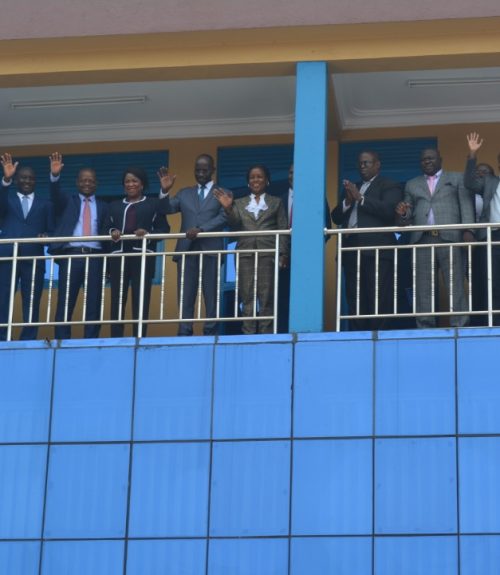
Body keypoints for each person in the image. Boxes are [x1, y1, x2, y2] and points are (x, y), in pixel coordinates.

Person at [395, 148, 474, 328]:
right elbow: (408, 211)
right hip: (422, 240)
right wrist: (403, 212)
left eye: (431, 158)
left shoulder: (456, 178)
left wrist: (468, 230)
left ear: (440, 159)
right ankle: (425, 325)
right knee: (423, 286)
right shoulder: (412, 184)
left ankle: (459, 324)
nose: (427, 161)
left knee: (455, 283)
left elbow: (466, 205)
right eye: (424, 159)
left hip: (450, 238)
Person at [214, 164, 289, 334]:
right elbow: (234, 224)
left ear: (267, 180)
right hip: (245, 254)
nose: (256, 180)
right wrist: (228, 208)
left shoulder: (276, 202)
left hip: (268, 254)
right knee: (246, 296)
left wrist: (283, 253)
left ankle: (266, 333)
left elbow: (283, 228)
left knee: (266, 296)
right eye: (252, 177)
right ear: (248, 182)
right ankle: (248, 333)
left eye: (259, 177)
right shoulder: (239, 203)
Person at [331, 151, 402, 331]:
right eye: (360, 163)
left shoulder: (389, 185)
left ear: (377, 165)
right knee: (355, 295)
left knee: (378, 295)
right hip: (351, 248)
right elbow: (336, 217)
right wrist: (347, 202)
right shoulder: (352, 187)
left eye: (367, 163)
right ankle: (357, 335)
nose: (362, 166)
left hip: (377, 248)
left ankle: (379, 335)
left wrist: (361, 198)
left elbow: (388, 210)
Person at [158, 154, 228, 336]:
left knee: (211, 295)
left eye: (205, 170)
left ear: (213, 170)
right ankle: (184, 331)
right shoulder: (184, 193)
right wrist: (164, 191)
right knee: (185, 294)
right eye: (198, 170)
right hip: (186, 250)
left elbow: (224, 217)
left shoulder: (223, 193)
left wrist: (201, 229)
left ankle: (211, 332)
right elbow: (166, 209)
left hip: (211, 249)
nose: (201, 173)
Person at [104, 167, 173, 338]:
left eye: (134, 181)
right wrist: (112, 231)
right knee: (117, 298)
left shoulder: (152, 203)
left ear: (142, 185)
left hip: (142, 256)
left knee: (141, 297)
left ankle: (139, 336)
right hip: (118, 256)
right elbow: (105, 227)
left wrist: (148, 234)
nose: (131, 184)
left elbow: (164, 229)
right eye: (127, 181)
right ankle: (116, 337)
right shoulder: (114, 206)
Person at [48, 153, 109, 339]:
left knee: (94, 300)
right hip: (72, 255)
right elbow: (55, 195)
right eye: (83, 180)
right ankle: (61, 338)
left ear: (96, 183)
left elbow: (108, 229)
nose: (87, 183)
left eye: (90, 180)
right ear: (77, 183)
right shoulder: (68, 201)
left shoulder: (104, 206)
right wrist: (55, 176)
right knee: (66, 298)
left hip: (95, 257)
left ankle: (91, 338)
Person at [0, 153, 54, 340]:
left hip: (33, 258)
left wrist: (47, 237)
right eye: (23, 177)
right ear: (16, 180)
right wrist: (5, 180)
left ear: (35, 181)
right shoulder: (7, 201)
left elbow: (51, 230)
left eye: (30, 178)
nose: (27, 181)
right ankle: (2, 336)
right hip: (7, 257)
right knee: (3, 297)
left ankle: (29, 337)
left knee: (31, 299)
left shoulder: (45, 204)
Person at [272, 163, 331, 333]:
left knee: (306, 296)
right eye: (291, 172)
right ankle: (282, 333)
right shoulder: (279, 200)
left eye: (298, 172)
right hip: (283, 258)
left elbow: (326, 229)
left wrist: (309, 251)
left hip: (307, 257)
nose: (293, 176)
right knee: (282, 296)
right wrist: (282, 253)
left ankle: (306, 331)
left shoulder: (316, 198)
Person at [464, 132, 500, 324]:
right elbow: (469, 183)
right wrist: (472, 154)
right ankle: (494, 323)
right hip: (492, 236)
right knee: (492, 280)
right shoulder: (491, 181)